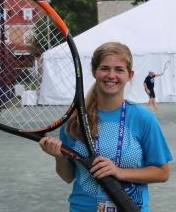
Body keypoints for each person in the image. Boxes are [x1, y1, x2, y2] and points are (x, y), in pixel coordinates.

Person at [39, 42, 172, 212]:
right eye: (104, 68)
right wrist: (58, 157)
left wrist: (119, 172)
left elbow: (162, 173)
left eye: (119, 69)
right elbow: (68, 176)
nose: (111, 75)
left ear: (130, 75)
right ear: (93, 71)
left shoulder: (144, 118)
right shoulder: (74, 120)